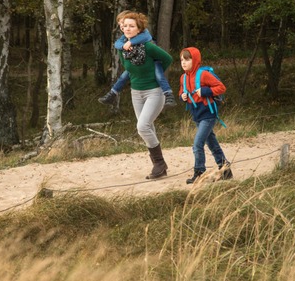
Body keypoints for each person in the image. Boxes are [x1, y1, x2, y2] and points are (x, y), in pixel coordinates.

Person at [116, 11, 173, 179]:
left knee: (142, 127)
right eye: (125, 26)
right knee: (148, 128)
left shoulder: (148, 46)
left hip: (154, 91)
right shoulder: (123, 49)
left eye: (131, 26)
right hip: (136, 92)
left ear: (139, 29)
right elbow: (128, 68)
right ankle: (160, 167)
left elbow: (167, 59)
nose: (127, 28)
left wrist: (155, 72)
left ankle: (159, 163)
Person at [98, 11, 176, 108]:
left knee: (159, 75)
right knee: (124, 76)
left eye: (124, 24)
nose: (123, 27)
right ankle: (112, 93)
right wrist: (123, 46)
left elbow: (148, 38)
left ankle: (169, 94)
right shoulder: (125, 37)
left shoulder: (144, 33)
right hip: (136, 87)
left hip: (154, 59)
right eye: (121, 25)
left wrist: (131, 43)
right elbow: (117, 44)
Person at [179, 47, 233, 184]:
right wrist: (182, 96)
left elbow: (221, 87)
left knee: (197, 144)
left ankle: (199, 172)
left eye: (187, 59)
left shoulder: (203, 75)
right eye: (181, 60)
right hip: (196, 114)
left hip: (208, 114)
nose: (183, 62)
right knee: (212, 143)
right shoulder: (183, 77)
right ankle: (225, 169)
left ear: (195, 60)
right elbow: (181, 91)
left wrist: (205, 91)